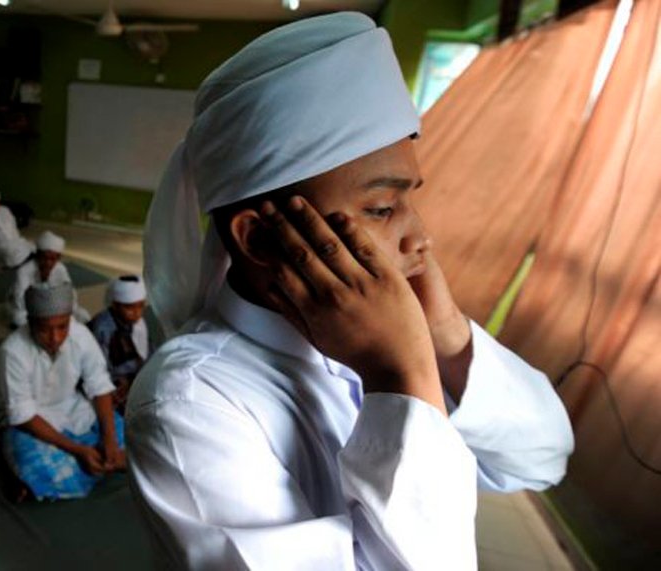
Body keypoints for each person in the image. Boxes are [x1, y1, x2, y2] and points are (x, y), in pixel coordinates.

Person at [126, 13, 574, 570]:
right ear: (260, 237)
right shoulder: (191, 403)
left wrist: (445, 337)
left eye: (409, 200)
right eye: (382, 208)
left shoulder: (380, 339)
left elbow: (540, 458)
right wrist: (400, 378)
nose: (420, 236)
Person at [0, 282, 124, 501]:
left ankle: (96, 461)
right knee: (36, 463)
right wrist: (77, 450)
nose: (55, 337)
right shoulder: (12, 352)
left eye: (62, 327)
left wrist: (109, 439)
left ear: (69, 320)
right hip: (30, 421)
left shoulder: (80, 335)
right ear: (30, 323)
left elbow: (99, 385)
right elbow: (23, 414)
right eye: (45, 329)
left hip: (72, 407)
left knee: (128, 436)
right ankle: (10, 463)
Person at [87, 275, 151, 411]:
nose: (137, 313)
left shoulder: (139, 324)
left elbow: (146, 353)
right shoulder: (103, 328)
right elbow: (98, 365)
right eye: (130, 308)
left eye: (141, 306)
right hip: (113, 380)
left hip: (134, 376)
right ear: (115, 305)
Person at [6, 230, 90, 327]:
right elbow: (20, 300)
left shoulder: (60, 269)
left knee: (83, 315)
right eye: (44, 258)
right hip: (32, 308)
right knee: (18, 317)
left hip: (55, 306)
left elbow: (69, 292)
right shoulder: (24, 271)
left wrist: (57, 306)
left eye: (52, 259)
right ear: (37, 255)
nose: (48, 263)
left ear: (58, 258)